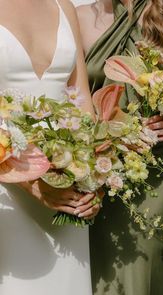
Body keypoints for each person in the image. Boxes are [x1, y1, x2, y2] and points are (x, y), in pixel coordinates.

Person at [77, 1, 163, 294]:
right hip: (98, 178)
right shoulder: (78, 18)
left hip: (154, 182)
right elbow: (75, 102)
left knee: (149, 278)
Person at [0, 0, 101, 294]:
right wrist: (33, 184)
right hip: (8, 187)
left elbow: (81, 101)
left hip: (68, 182)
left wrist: (92, 179)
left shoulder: (64, 7)